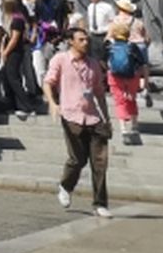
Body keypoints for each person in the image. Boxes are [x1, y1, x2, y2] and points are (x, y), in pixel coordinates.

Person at [43, 26, 112, 218]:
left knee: (100, 162)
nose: (85, 43)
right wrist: (53, 103)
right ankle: (66, 185)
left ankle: (100, 203)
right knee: (77, 159)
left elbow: (99, 92)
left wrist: (106, 118)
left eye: (87, 39)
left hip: (93, 117)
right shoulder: (61, 60)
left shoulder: (93, 64)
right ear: (70, 41)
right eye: (81, 39)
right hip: (71, 115)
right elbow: (48, 82)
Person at [105, 21, 148, 146]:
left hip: (115, 77)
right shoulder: (132, 47)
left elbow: (103, 61)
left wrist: (109, 70)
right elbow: (142, 64)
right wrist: (144, 80)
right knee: (131, 99)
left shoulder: (109, 46)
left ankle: (123, 128)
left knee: (119, 101)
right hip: (132, 76)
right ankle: (134, 125)